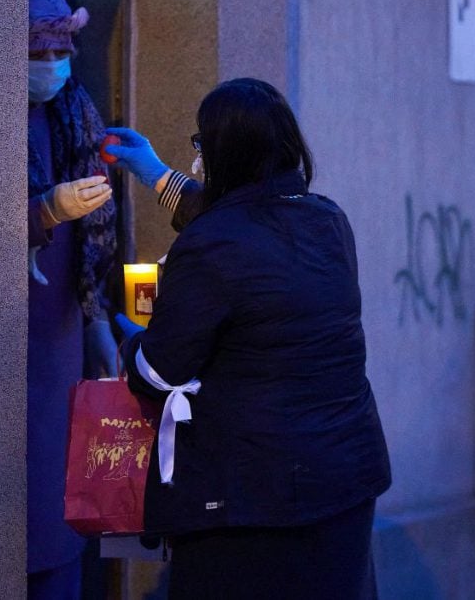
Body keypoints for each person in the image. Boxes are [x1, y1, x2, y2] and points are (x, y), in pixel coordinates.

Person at [104, 78, 391, 599]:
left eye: (201, 144)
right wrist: (158, 178)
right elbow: (250, 223)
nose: (197, 155)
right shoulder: (327, 221)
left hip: (252, 498)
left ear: (221, 153)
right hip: (343, 479)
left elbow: (159, 372)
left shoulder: (210, 246)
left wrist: (127, 341)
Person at [26, 0, 119, 598]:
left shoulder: (73, 114)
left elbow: (95, 243)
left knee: (61, 495)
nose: (55, 67)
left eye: (63, 53)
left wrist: (98, 320)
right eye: (40, 55)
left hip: (59, 332)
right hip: (10, 337)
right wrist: (43, 212)